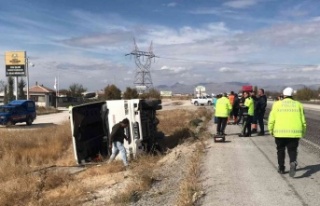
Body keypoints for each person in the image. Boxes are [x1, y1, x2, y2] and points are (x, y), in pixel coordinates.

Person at [268, 87, 306, 177]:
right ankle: (293, 162)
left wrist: (270, 129)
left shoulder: (277, 104)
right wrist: (303, 132)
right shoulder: (299, 105)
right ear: (292, 95)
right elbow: (303, 120)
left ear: (283, 95)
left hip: (280, 133)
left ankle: (281, 168)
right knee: (292, 150)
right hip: (294, 133)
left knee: (280, 150)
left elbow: (271, 119)